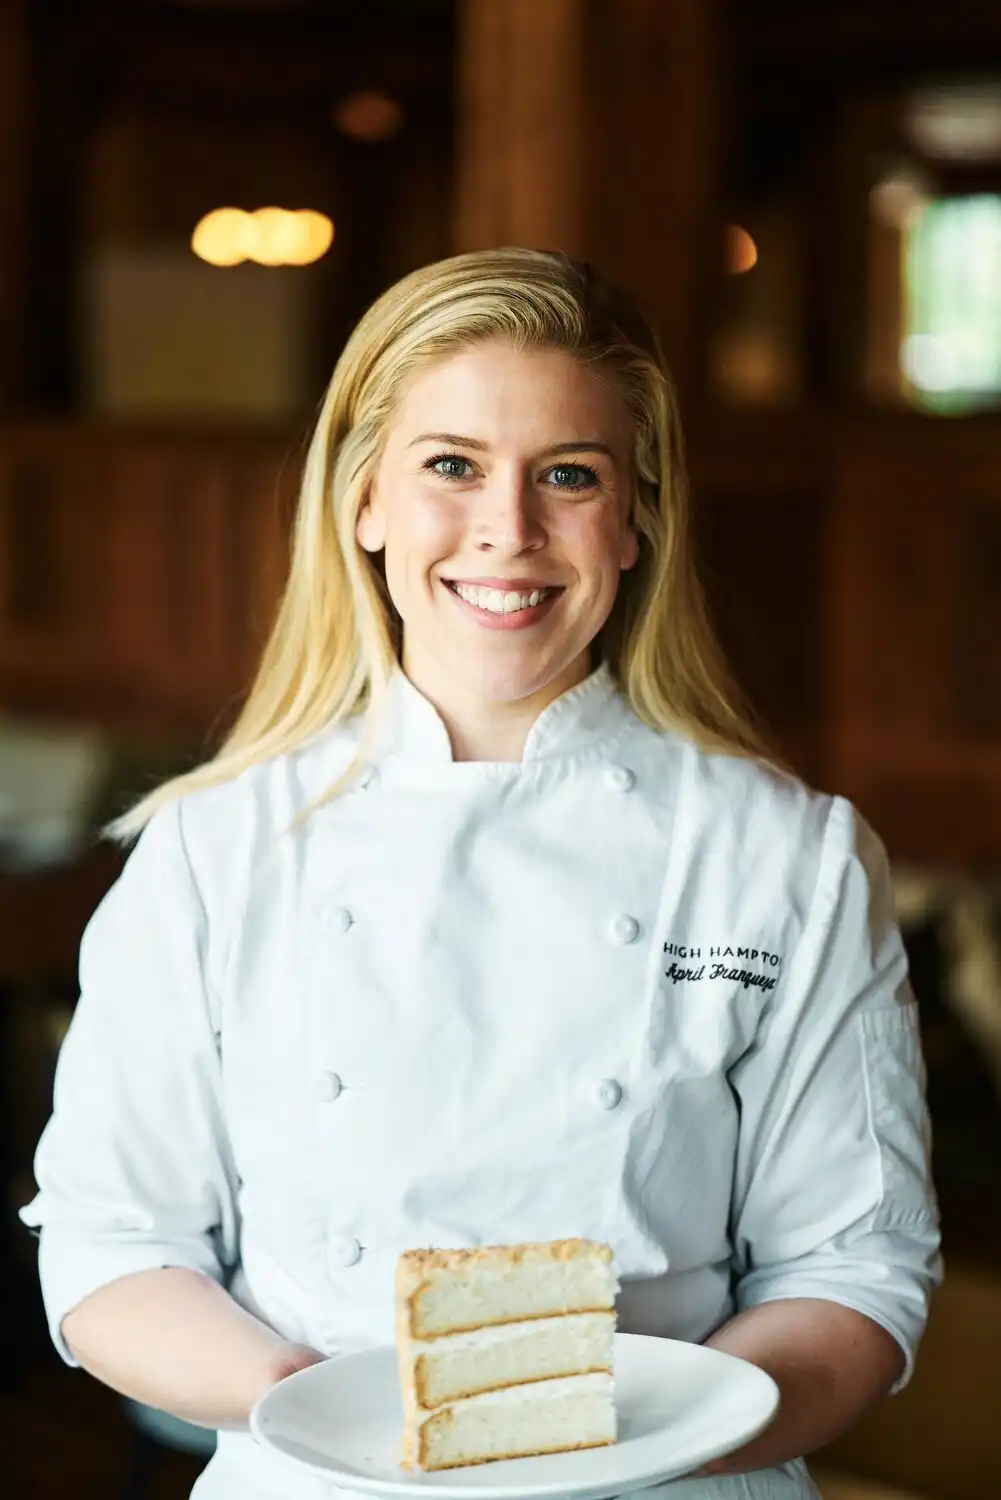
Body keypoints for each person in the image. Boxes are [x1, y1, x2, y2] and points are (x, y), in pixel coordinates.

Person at [20, 247, 941, 1500]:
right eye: (450, 466)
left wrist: (666, 1437)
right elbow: (109, 1243)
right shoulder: (215, 845)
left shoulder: (784, 854)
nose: (506, 531)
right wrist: (313, 1402)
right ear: (365, 503)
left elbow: (852, 1267)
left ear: (636, 519)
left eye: (568, 475)